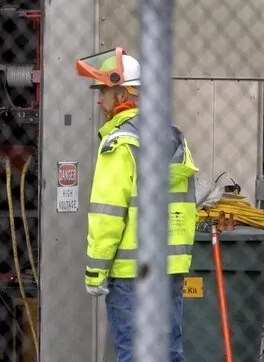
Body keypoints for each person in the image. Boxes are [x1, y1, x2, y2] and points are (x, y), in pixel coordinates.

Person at [76, 48, 198, 362]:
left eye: (104, 91)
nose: (99, 100)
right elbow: (186, 208)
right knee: (169, 352)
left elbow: (108, 215)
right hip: (169, 270)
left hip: (131, 275)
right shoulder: (173, 138)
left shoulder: (119, 143)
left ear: (124, 94)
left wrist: (95, 272)